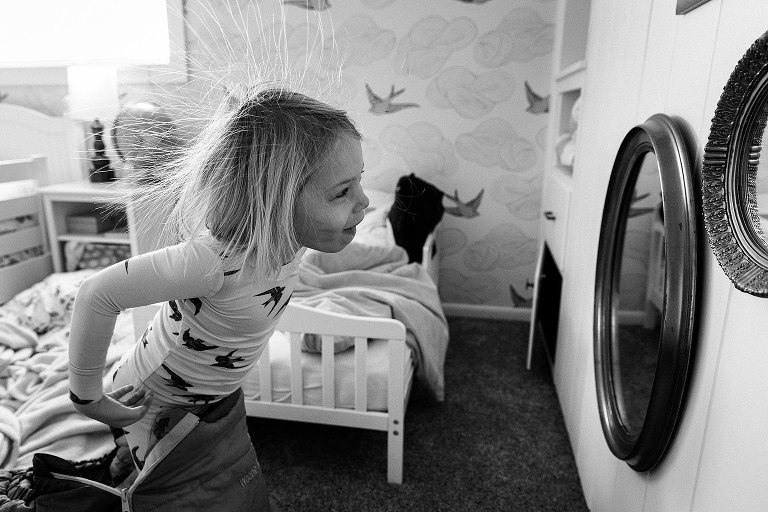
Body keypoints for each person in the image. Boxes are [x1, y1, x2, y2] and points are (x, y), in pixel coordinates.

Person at [67, 87, 369, 490]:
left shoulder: (292, 240)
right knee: (166, 495)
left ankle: (119, 463)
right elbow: (96, 294)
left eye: (359, 183)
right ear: (274, 198)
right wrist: (88, 399)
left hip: (212, 399)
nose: (364, 202)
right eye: (342, 192)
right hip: (154, 402)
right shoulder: (212, 262)